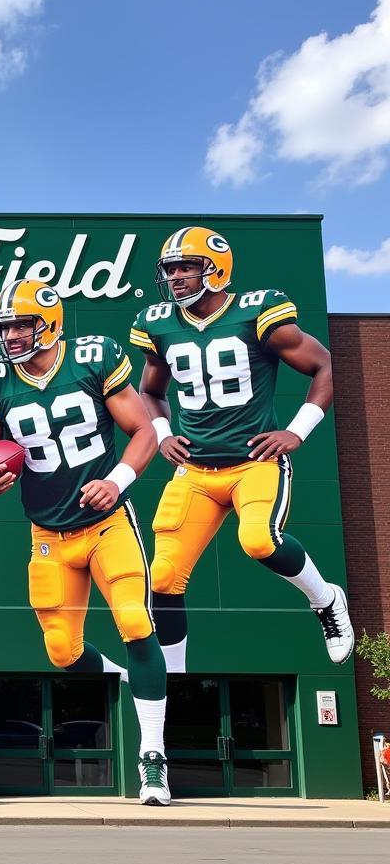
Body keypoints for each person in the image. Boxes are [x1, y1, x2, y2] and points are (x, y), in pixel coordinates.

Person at [0, 280, 171, 805]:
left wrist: (117, 480)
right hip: (48, 534)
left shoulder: (92, 359)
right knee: (61, 653)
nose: (9, 335)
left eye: (19, 325)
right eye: (4, 326)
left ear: (49, 324)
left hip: (107, 524)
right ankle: (126, 676)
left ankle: (153, 756)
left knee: (135, 622)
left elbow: (143, 431)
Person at [131, 226, 354, 672]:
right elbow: (150, 390)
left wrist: (297, 430)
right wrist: (162, 432)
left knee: (258, 541)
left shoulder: (257, 311)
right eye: (170, 269)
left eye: (186, 267)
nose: (175, 277)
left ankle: (326, 600)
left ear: (215, 270)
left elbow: (323, 364)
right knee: (163, 577)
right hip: (194, 471)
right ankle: (173, 675)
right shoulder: (157, 323)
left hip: (254, 463)